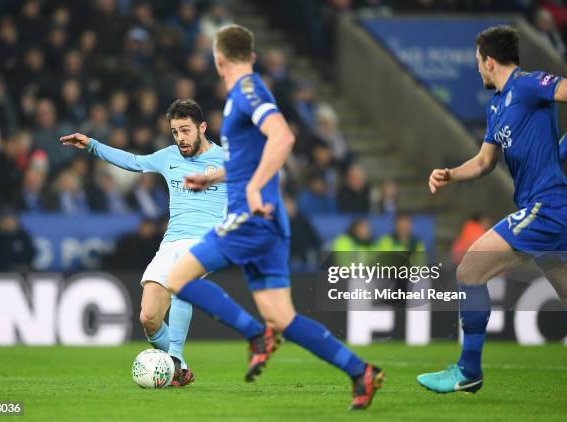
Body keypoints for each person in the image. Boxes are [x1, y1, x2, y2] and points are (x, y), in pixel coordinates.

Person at [164, 24, 383, 411]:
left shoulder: (248, 91)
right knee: (282, 317)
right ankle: (360, 371)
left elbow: (283, 137)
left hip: (252, 217)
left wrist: (252, 190)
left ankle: (255, 336)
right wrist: (213, 176)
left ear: (218, 61)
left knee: (177, 278)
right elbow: (247, 161)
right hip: (269, 220)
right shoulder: (240, 96)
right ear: (250, 54)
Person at [419, 26, 567, 394]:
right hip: (546, 210)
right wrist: (451, 174)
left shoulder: (530, 85)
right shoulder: (498, 106)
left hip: (546, 206)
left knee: (470, 270)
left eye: (477, 63)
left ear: (489, 61)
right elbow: (485, 161)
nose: (478, 71)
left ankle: (469, 370)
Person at [59, 99, 226, 387]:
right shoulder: (169, 156)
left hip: (206, 242)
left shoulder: (226, 161)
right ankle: (180, 369)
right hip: (171, 243)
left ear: (202, 127)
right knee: (149, 318)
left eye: (185, 130)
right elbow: (133, 162)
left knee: (181, 283)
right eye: (175, 132)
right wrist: (92, 145)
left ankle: (173, 358)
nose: (180, 138)